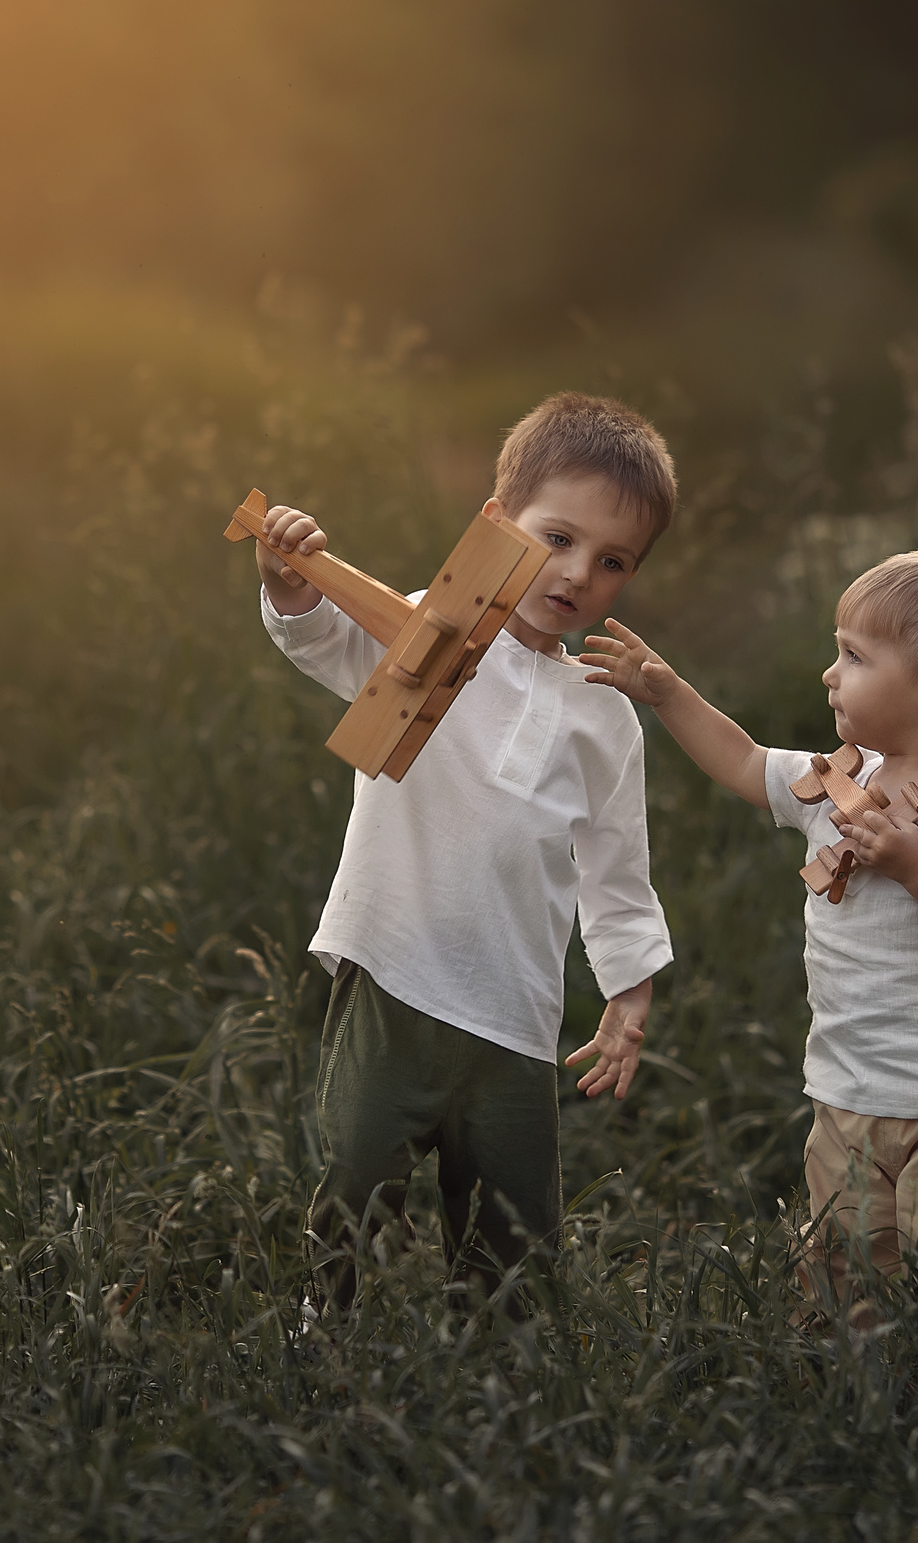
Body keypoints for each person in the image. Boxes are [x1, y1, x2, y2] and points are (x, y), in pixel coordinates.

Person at [253, 392, 677, 1313]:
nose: (576, 574)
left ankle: (502, 1373)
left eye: (612, 562)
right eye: (556, 538)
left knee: (512, 1225)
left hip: (515, 1007)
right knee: (357, 1170)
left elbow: (617, 867)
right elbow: (323, 640)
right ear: (496, 523)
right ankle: (324, 1332)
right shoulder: (428, 624)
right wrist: (291, 582)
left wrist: (629, 994)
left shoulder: (603, 716)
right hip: (395, 967)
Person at [580, 548, 918, 1318]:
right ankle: (849, 1372)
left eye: (855, 656)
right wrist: (666, 694)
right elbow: (743, 760)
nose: (831, 673)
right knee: (845, 1248)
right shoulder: (840, 780)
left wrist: (913, 866)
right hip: (849, 1079)